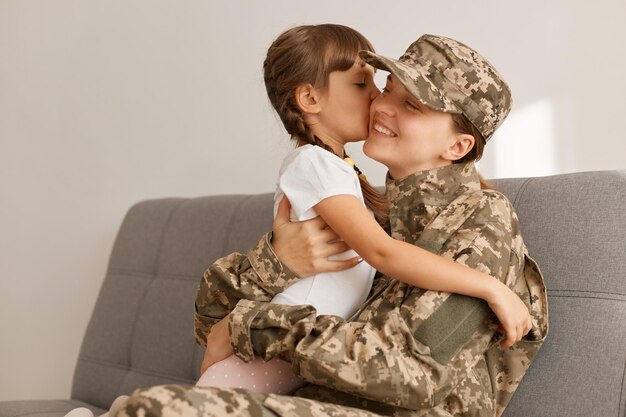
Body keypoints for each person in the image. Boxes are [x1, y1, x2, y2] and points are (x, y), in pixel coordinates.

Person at [117, 32, 548, 417]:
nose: (381, 105)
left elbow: (414, 374)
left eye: (411, 104)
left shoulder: (482, 219)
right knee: (151, 407)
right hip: (307, 399)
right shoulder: (360, 205)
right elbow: (209, 328)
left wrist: (256, 326)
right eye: (387, 89)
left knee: (154, 410)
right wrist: (276, 262)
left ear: (458, 146)